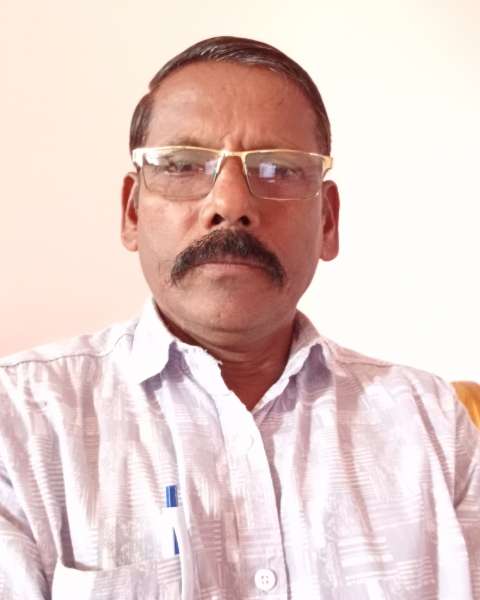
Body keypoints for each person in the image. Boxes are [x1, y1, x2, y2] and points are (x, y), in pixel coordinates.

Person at [0, 36, 478, 600]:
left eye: (278, 168)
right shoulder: (20, 423)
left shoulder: (433, 423)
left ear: (328, 222)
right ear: (132, 213)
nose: (230, 204)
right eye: (182, 165)